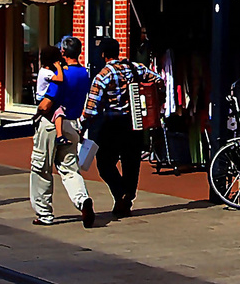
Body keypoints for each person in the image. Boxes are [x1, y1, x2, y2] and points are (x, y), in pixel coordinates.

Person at [84, 36, 159, 218]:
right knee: (131, 162)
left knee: (104, 162)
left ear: (103, 54)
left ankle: (121, 193)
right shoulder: (135, 68)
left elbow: (91, 108)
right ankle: (127, 200)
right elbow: (157, 79)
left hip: (111, 125)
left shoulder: (103, 75)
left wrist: (83, 124)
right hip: (134, 123)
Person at [31, 37, 95, 228]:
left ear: (64, 53)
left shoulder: (61, 73)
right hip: (72, 123)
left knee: (41, 168)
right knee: (69, 168)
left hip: (52, 123)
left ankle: (44, 214)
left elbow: (47, 102)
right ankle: (82, 199)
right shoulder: (84, 73)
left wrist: (38, 111)